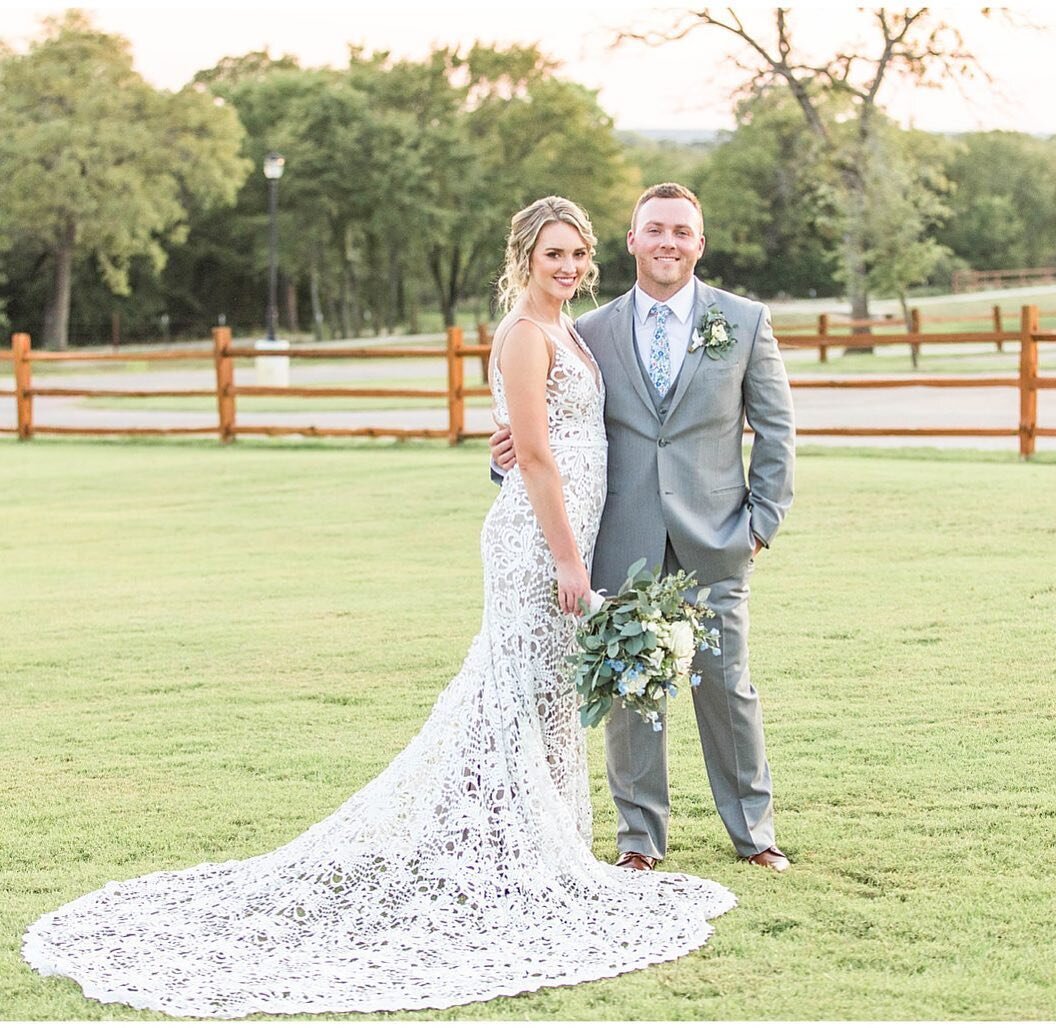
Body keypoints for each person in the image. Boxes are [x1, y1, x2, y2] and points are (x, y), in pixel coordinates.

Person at [22, 196, 733, 1019]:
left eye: (578, 254)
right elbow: (534, 454)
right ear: (523, 260)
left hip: (570, 528)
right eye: (553, 256)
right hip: (539, 544)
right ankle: (493, 852)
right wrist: (569, 560)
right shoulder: (522, 335)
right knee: (509, 698)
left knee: (536, 705)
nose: (569, 268)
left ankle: (521, 848)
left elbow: (560, 433)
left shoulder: (570, 329)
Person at [492, 182, 795, 874]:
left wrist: (758, 525)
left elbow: (776, 430)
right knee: (629, 689)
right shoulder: (586, 331)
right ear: (631, 241)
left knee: (727, 685)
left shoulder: (743, 322)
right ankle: (638, 841)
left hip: (715, 538)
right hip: (619, 541)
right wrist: (500, 457)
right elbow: (551, 436)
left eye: (681, 232)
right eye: (653, 229)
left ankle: (754, 832)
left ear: (698, 243)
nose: (667, 242)